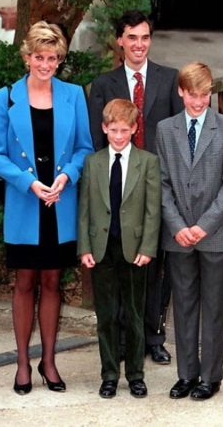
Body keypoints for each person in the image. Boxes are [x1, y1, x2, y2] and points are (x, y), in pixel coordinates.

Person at [0, 21, 94, 395]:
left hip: (60, 203)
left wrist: (66, 177)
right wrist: (28, 183)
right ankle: (21, 363)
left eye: (52, 58)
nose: (46, 64)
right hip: (25, 203)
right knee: (24, 282)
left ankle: (49, 361)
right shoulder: (5, 98)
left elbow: (84, 148)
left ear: (60, 59)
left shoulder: (73, 95)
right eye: (39, 57)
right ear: (27, 57)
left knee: (52, 282)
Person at [88, 9, 183, 365]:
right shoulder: (103, 85)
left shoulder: (168, 79)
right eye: (132, 37)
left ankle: (153, 335)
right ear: (120, 41)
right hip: (118, 189)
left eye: (145, 37)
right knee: (121, 262)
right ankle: (124, 338)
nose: (139, 44)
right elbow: (97, 141)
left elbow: (177, 135)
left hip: (158, 186)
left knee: (155, 264)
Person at [156, 61, 223, 401]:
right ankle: (186, 374)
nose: (198, 102)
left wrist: (203, 225)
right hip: (178, 234)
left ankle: (210, 376)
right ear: (181, 92)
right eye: (193, 95)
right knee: (183, 305)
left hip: (215, 232)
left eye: (205, 95)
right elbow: (161, 183)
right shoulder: (166, 129)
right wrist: (178, 226)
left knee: (214, 306)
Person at [78, 99, 161, 399]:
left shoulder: (147, 162)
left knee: (135, 314)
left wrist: (148, 247)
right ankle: (110, 374)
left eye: (125, 130)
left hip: (134, 249)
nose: (118, 136)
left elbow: (153, 210)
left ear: (135, 129)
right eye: (113, 130)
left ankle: (136, 374)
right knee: (107, 315)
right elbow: (84, 208)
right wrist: (84, 247)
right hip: (102, 249)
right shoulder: (93, 162)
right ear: (104, 128)